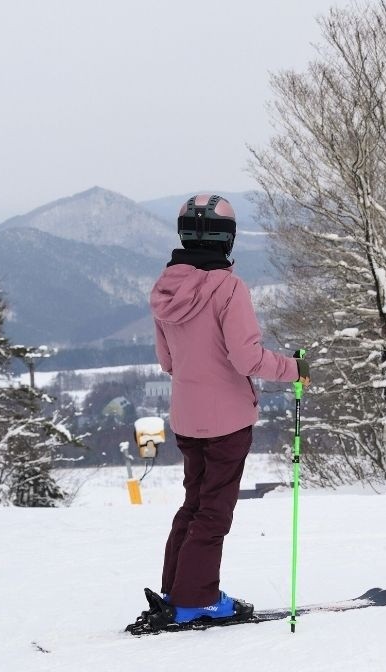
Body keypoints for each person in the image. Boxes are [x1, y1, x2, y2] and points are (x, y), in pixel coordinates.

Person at [131, 194, 309, 632]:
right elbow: (247, 359)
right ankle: (198, 600)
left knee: (194, 504)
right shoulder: (229, 288)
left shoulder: (166, 288)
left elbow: (168, 363)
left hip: (187, 419)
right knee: (214, 511)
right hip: (228, 420)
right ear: (227, 239)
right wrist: (294, 369)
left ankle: (177, 590)